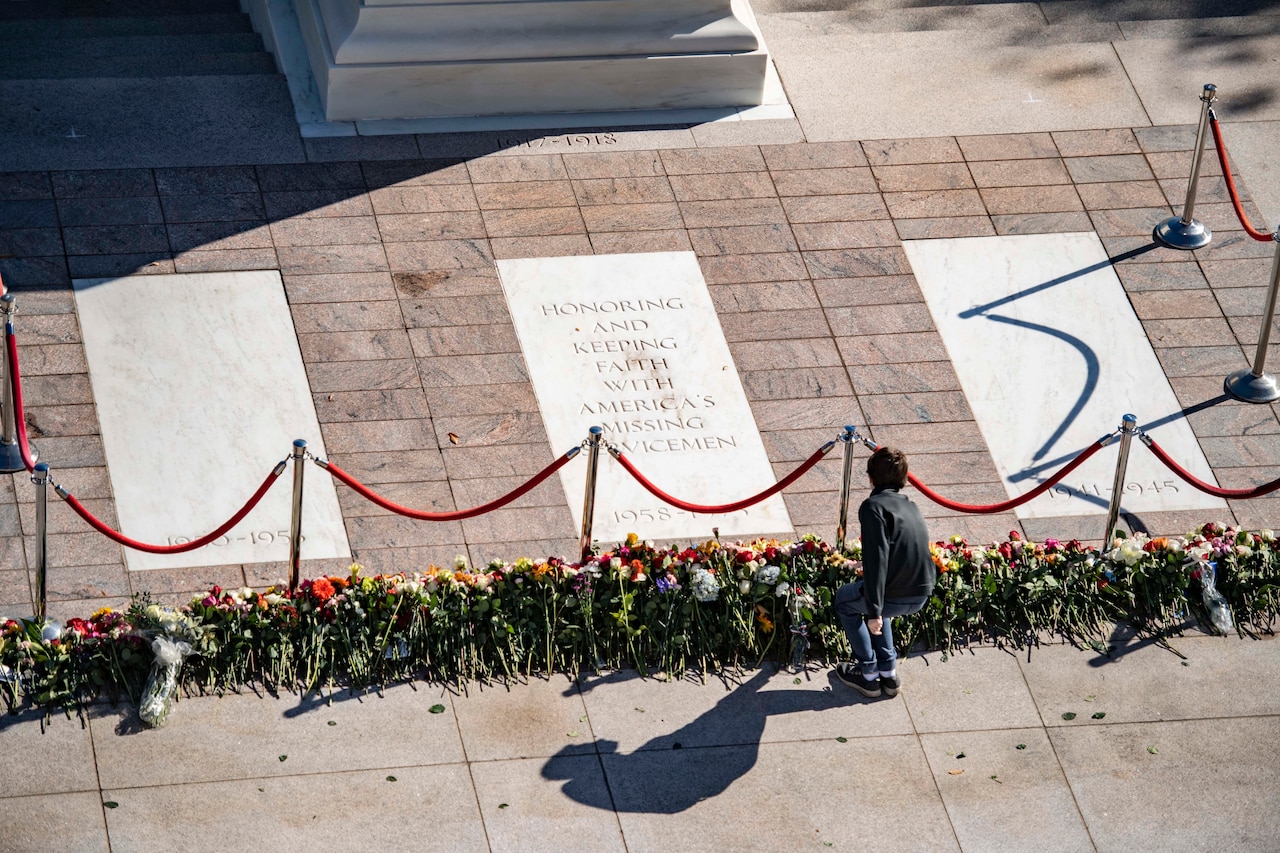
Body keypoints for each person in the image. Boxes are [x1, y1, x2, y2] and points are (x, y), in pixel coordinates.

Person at [833, 446, 935, 698]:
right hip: (920, 593)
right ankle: (889, 674)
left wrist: (875, 611)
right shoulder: (911, 505)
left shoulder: (872, 507)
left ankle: (868, 675)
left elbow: (878, 558)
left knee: (845, 601)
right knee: (876, 596)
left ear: (870, 477)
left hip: (895, 595)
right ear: (905, 478)